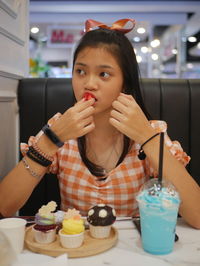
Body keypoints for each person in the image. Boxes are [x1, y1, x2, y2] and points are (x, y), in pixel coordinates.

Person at [0, 19, 199, 229]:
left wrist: (147, 138)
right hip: (74, 248)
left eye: (104, 74)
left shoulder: (150, 131)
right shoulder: (61, 127)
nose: (89, 84)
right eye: (80, 71)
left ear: (125, 82)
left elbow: (197, 216)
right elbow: (5, 205)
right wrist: (51, 141)